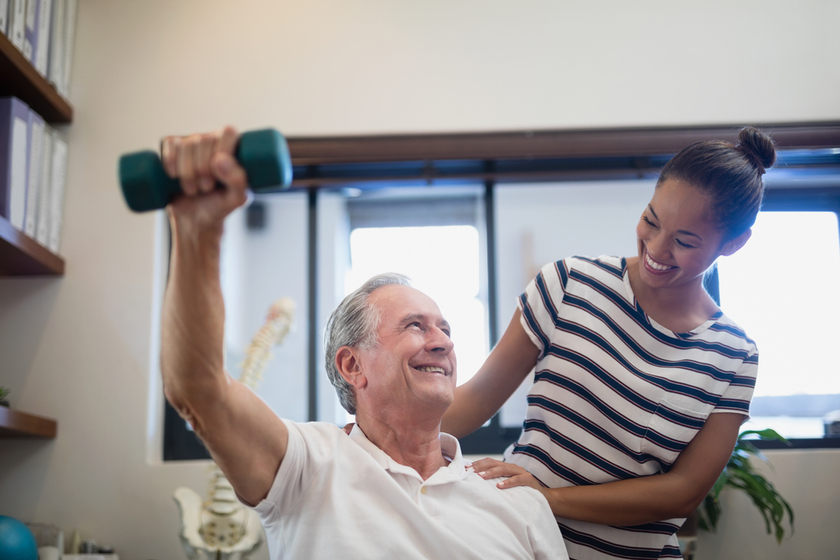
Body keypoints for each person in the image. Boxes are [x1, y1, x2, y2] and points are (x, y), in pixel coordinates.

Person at [159, 126, 569, 560]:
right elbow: (198, 391)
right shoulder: (307, 466)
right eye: (415, 326)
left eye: (445, 330)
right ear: (352, 366)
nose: (441, 344)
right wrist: (197, 232)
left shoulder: (515, 499)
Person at [441, 127, 775, 560]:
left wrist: (549, 497)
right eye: (651, 220)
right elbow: (477, 397)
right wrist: (373, 434)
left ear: (734, 243)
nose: (656, 247)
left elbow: (682, 493)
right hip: (520, 542)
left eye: (685, 241)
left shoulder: (733, 355)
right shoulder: (568, 283)